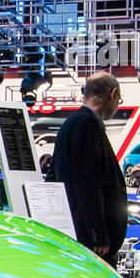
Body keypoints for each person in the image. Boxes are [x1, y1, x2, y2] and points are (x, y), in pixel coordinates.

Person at [49, 72, 128, 263]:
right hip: (91, 243)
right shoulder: (86, 125)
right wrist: (97, 234)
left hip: (81, 235)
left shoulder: (75, 123)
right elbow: (87, 182)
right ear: (113, 94)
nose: (118, 105)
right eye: (119, 100)